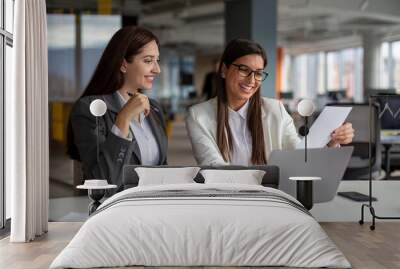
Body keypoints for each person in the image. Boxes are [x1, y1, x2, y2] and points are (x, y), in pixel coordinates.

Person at [186, 39, 354, 166]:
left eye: (258, 73)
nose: (252, 80)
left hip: (273, 196)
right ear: (224, 70)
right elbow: (213, 166)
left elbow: (298, 156)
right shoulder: (198, 115)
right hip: (228, 198)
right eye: (244, 69)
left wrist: (331, 142)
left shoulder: (275, 109)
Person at [67, 26, 168, 192]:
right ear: (123, 65)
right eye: (148, 61)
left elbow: (163, 170)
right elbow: (102, 183)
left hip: (152, 207)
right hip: (115, 211)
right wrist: (124, 119)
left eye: (157, 60)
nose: (157, 69)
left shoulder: (154, 109)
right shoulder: (90, 109)